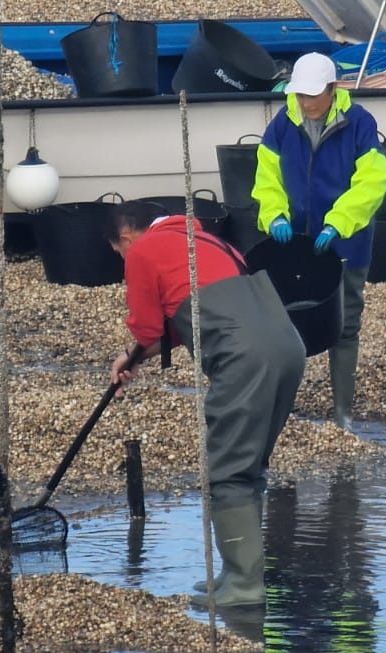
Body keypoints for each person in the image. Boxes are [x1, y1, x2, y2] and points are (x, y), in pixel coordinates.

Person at [107, 200, 304, 607]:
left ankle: (246, 586)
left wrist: (133, 352)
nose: (123, 259)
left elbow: (147, 327)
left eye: (118, 251)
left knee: (228, 469)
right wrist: (135, 358)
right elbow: (178, 325)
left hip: (244, 358)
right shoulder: (205, 240)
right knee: (248, 466)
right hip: (287, 347)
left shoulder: (144, 251)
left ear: (125, 238)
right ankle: (238, 571)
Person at [253, 51, 386, 428]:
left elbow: (372, 185)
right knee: (288, 323)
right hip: (294, 242)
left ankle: (342, 411)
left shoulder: (360, 124)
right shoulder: (282, 124)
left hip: (346, 242)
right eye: (301, 95)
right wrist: (274, 215)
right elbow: (267, 179)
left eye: (313, 95)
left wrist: (338, 223)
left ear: (333, 90)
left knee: (345, 324)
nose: (306, 103)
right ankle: (286, 407)